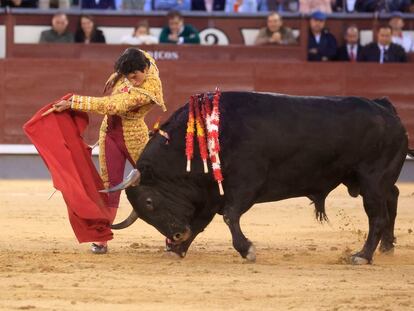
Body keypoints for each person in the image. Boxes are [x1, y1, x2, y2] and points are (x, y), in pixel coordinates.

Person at [52, 48, 166, 254]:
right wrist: (120, 69)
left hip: (134, 135)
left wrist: (73, 102)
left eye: (135, 76)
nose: (132, 81)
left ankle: (171, 233)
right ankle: (102, 238)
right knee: (110, 186)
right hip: (109, 134)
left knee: (154, 183)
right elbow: (139, 52)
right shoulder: (140, 61)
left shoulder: (149, 89)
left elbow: (112, 105)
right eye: (127, 77)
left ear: (145, 69)